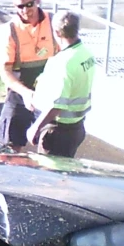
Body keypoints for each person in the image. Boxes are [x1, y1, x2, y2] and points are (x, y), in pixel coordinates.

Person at [0, 0, 58, 152]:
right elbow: (5, 72)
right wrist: (26, 93)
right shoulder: (9, 31)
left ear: (37, 0)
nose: (25, 10)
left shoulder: (54, 23)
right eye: (20, 6)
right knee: (7, 147)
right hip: (20, 92)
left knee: (51, 148)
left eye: (29, 4)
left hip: (49, 94)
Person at [27, 11, 95, 158]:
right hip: (77, 126)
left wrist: (35, 128)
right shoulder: (86, 54)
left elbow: (57, 105)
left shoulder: (63, 62)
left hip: (58, 131)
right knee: (64, 175)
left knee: (50, 176)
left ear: (57, 33)